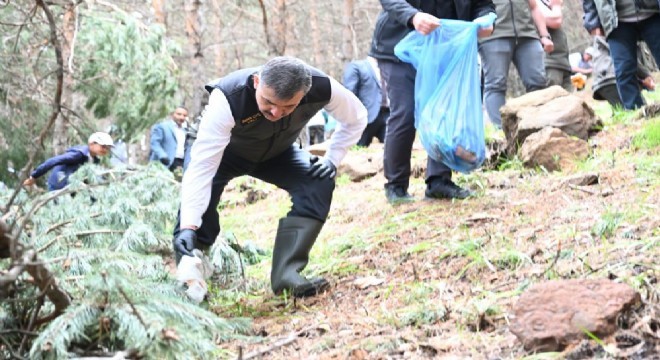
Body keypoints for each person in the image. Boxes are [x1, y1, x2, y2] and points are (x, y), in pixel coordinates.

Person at [172, 56, 367, 298]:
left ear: (303, 95)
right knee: (199, 214)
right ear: (256, 82)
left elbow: (357, 117)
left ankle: (287, 275)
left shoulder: (322, 86)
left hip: (277, 152)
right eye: (268, 102)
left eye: (288, 107)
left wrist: (332, 159)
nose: (275, 112)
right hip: (221, 153)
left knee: (318, 179)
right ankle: (191, 283)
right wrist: (188, 225)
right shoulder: (229, 97)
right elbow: (202, 166)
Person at [369, 0, 495, 204]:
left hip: (446, 48)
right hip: (398, 45)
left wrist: (486, 20)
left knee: (444, 113)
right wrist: (413, 16)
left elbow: (484, 5)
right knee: (406, 112)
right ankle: (396, 185)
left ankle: (439, 181)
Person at [479, 0, 554, 128]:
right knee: (495, 84)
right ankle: (500, 130)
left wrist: (544, 35)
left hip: (527, 35)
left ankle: (540, 125)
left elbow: (534, 7)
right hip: (493, 36)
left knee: (538, 82)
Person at [583, 0, 660, 110]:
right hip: (616, 20)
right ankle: (635, 112)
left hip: (653, 12)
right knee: (624, 69)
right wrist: (592, 19)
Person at [23, 132, 114, 191]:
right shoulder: (78, 155)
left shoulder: (94, 160)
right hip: (58, 186)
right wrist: (34, 176)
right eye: (103, 146)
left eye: (108, 148)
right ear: (92, 144)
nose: (105, 150)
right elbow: (53, 161)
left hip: (72, 188)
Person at [592, 37, 656, 106]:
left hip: (604, 82)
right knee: (638, 107)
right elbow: (629, 60)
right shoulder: (615, 37)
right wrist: (646, 75)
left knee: (626, 109)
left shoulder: (599, 44)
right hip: (612, 80)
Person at [342, 56, 389, 147]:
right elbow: (349, 93)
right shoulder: (357, 66)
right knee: (358, 149)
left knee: (393, 150)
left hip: (387, 115)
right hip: (365, 117)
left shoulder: (389, 68)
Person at [539, 0, 573, 92]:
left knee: (570, 102)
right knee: (552, 101)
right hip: (549, 63)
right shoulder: (534, 3)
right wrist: (556, 4)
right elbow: (555, 21)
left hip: (562, 63)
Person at [149, 106, 189, 172]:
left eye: (184, 115)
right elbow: (154, 143)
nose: (182, 117)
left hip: (180, 163)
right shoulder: (162, 126)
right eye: (179, 114)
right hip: (164, 162)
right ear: (172, 114)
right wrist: (162, 155)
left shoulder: (186, 131)